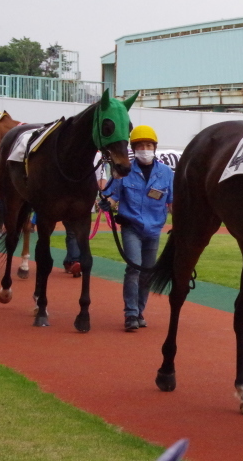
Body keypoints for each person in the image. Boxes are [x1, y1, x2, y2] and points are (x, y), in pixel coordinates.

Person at [101, 125, 173, 331]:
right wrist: (107, 202)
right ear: (134, 148)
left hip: (154, 230)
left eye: (148, 145)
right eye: (140, 145)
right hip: (131, 227)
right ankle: (131, 314)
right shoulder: (124, 172)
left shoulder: (166, 173)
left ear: (155, 147)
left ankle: (140, 311)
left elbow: (172, 202)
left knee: (147, 272)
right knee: (133, 268)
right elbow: (112, 196)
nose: (145, 149)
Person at [62, 152, 108, 278]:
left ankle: (69, 260)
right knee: (72, 232)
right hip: (68, 201)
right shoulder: (69, 153)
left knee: (80, 233)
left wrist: (104, 196)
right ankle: (75, 261)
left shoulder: (97, 156)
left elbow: (101, 177)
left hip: (86, 202)